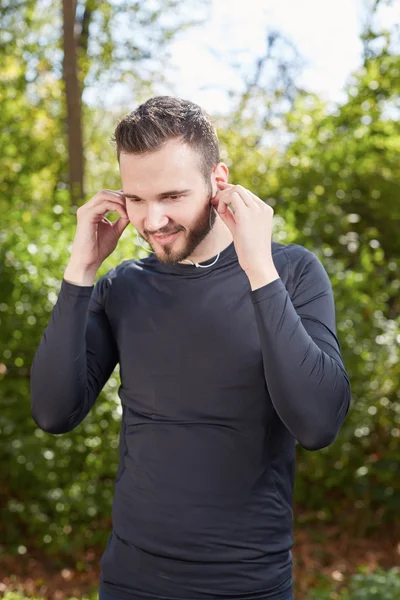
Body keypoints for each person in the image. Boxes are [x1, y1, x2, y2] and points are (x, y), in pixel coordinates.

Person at [30, 96, 351, 600]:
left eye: (172, 196)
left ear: (218, 181)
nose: (152, 220)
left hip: (248, 585)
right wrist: (81, 271)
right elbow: (53, 411)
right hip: (130, 581)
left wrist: (257, 267)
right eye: (136, 199)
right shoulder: (122, 286)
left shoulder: (290, 272)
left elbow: (318, 423)